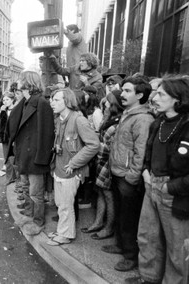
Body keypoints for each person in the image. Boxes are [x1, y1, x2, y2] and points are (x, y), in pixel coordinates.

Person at [125, 76, 189, 284]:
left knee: (177, 249)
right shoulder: (158, 122)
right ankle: (149, 278)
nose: (154, 97)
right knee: (148, 237)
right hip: (151, 185)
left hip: (176, 195)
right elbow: (148, 152)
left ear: (177, 99)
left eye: (161, 94)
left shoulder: (186, 126)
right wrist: (145, 171)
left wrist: (170, 187)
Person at [103, 76, 154, 272]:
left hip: (127, 177)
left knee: (129, 218)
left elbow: (141, 153)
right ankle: (121, 245)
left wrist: (132, 177)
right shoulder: (129, 113)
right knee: (121, 214)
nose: (122, 94)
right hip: (118, 173)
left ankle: (130, 256)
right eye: (122, 90)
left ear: (140, 95)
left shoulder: (143, 119)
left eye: (127, 91)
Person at [5, 71, 55, 236]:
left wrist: (42, 159)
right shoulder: (24, 102)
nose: (18, 81)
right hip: (24, 155)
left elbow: (47, 134)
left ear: (27, 82)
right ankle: (28, 215)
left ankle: (38, 221)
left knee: (35, 193)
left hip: (35, 157)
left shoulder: (41, 103)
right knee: (26, 188)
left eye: (20, 78)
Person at [48, 88, 99, 246]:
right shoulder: (60, 119)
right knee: (60, 203)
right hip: (59, 168)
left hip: (70, 170)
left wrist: (74, 163)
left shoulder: (78, 120)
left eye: (56, 100)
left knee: (65, 204)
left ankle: (65, 235)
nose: (52, 103)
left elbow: (93, 145)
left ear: (67, 101)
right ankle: (62, 230)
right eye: (52, 99)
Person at [82, 90, 124, 240]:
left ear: (115, 104)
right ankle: (98, 222)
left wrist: (96, 145)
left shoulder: (120, 121)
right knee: (99, 191)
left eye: (108, 101)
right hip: (101, 160)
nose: (104, 103)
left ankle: (108, 227)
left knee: (108, 194)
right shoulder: (110, 118)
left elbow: (115, 146)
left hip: (108, 161)